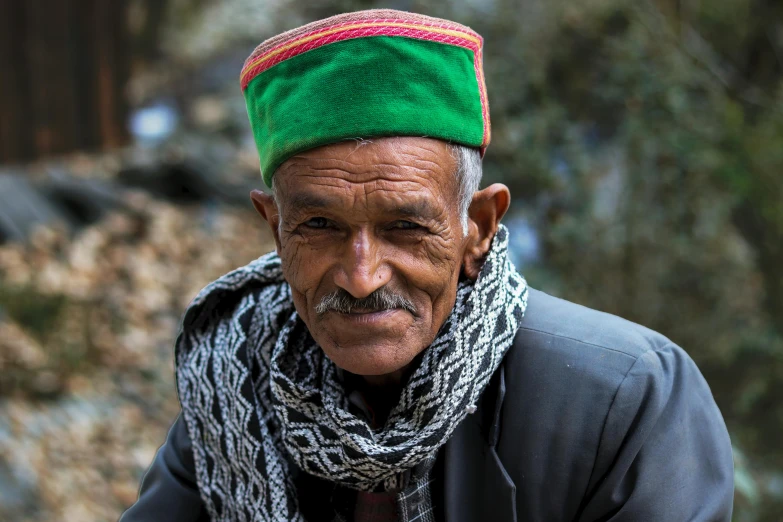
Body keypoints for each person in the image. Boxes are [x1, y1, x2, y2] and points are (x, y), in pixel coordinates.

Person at [121, 9, 734, 522]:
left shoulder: (624, 400)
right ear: (275, 230)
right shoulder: (234, 391)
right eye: (320, 226)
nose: (361, 276)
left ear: (479, 228)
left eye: (406, 228)